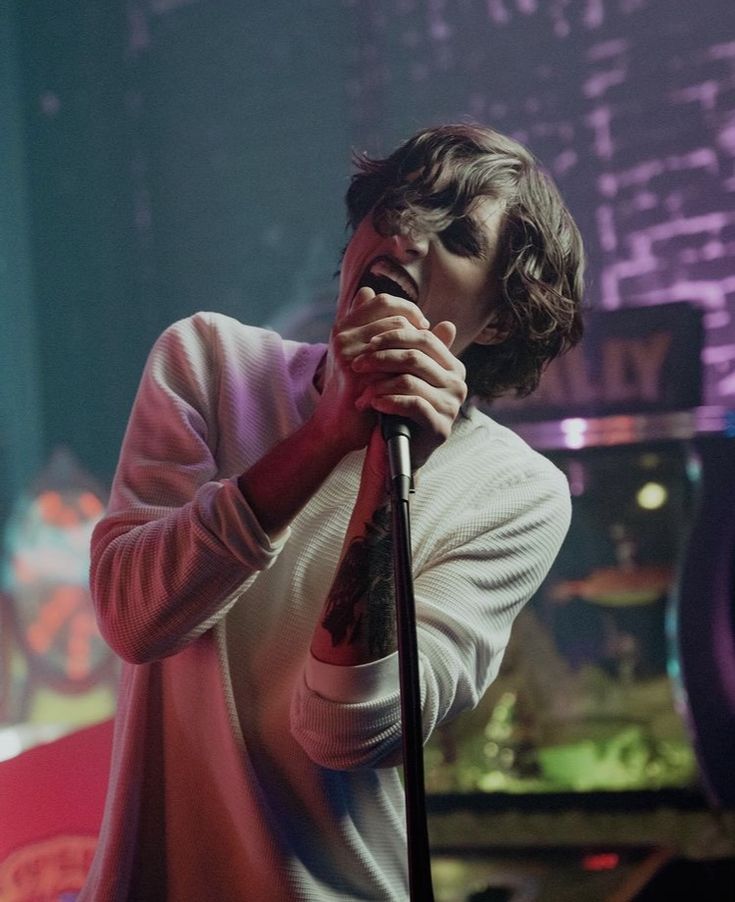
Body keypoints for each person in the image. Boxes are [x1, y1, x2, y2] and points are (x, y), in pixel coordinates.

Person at [80, 123, 584, 900]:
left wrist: (387, 468)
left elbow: (344, 733)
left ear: (501, 317)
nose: (405, 238)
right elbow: (136, 618)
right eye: (396, 206)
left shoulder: (516, 493)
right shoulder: (211, 364)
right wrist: (323, 438)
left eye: (454, 235)